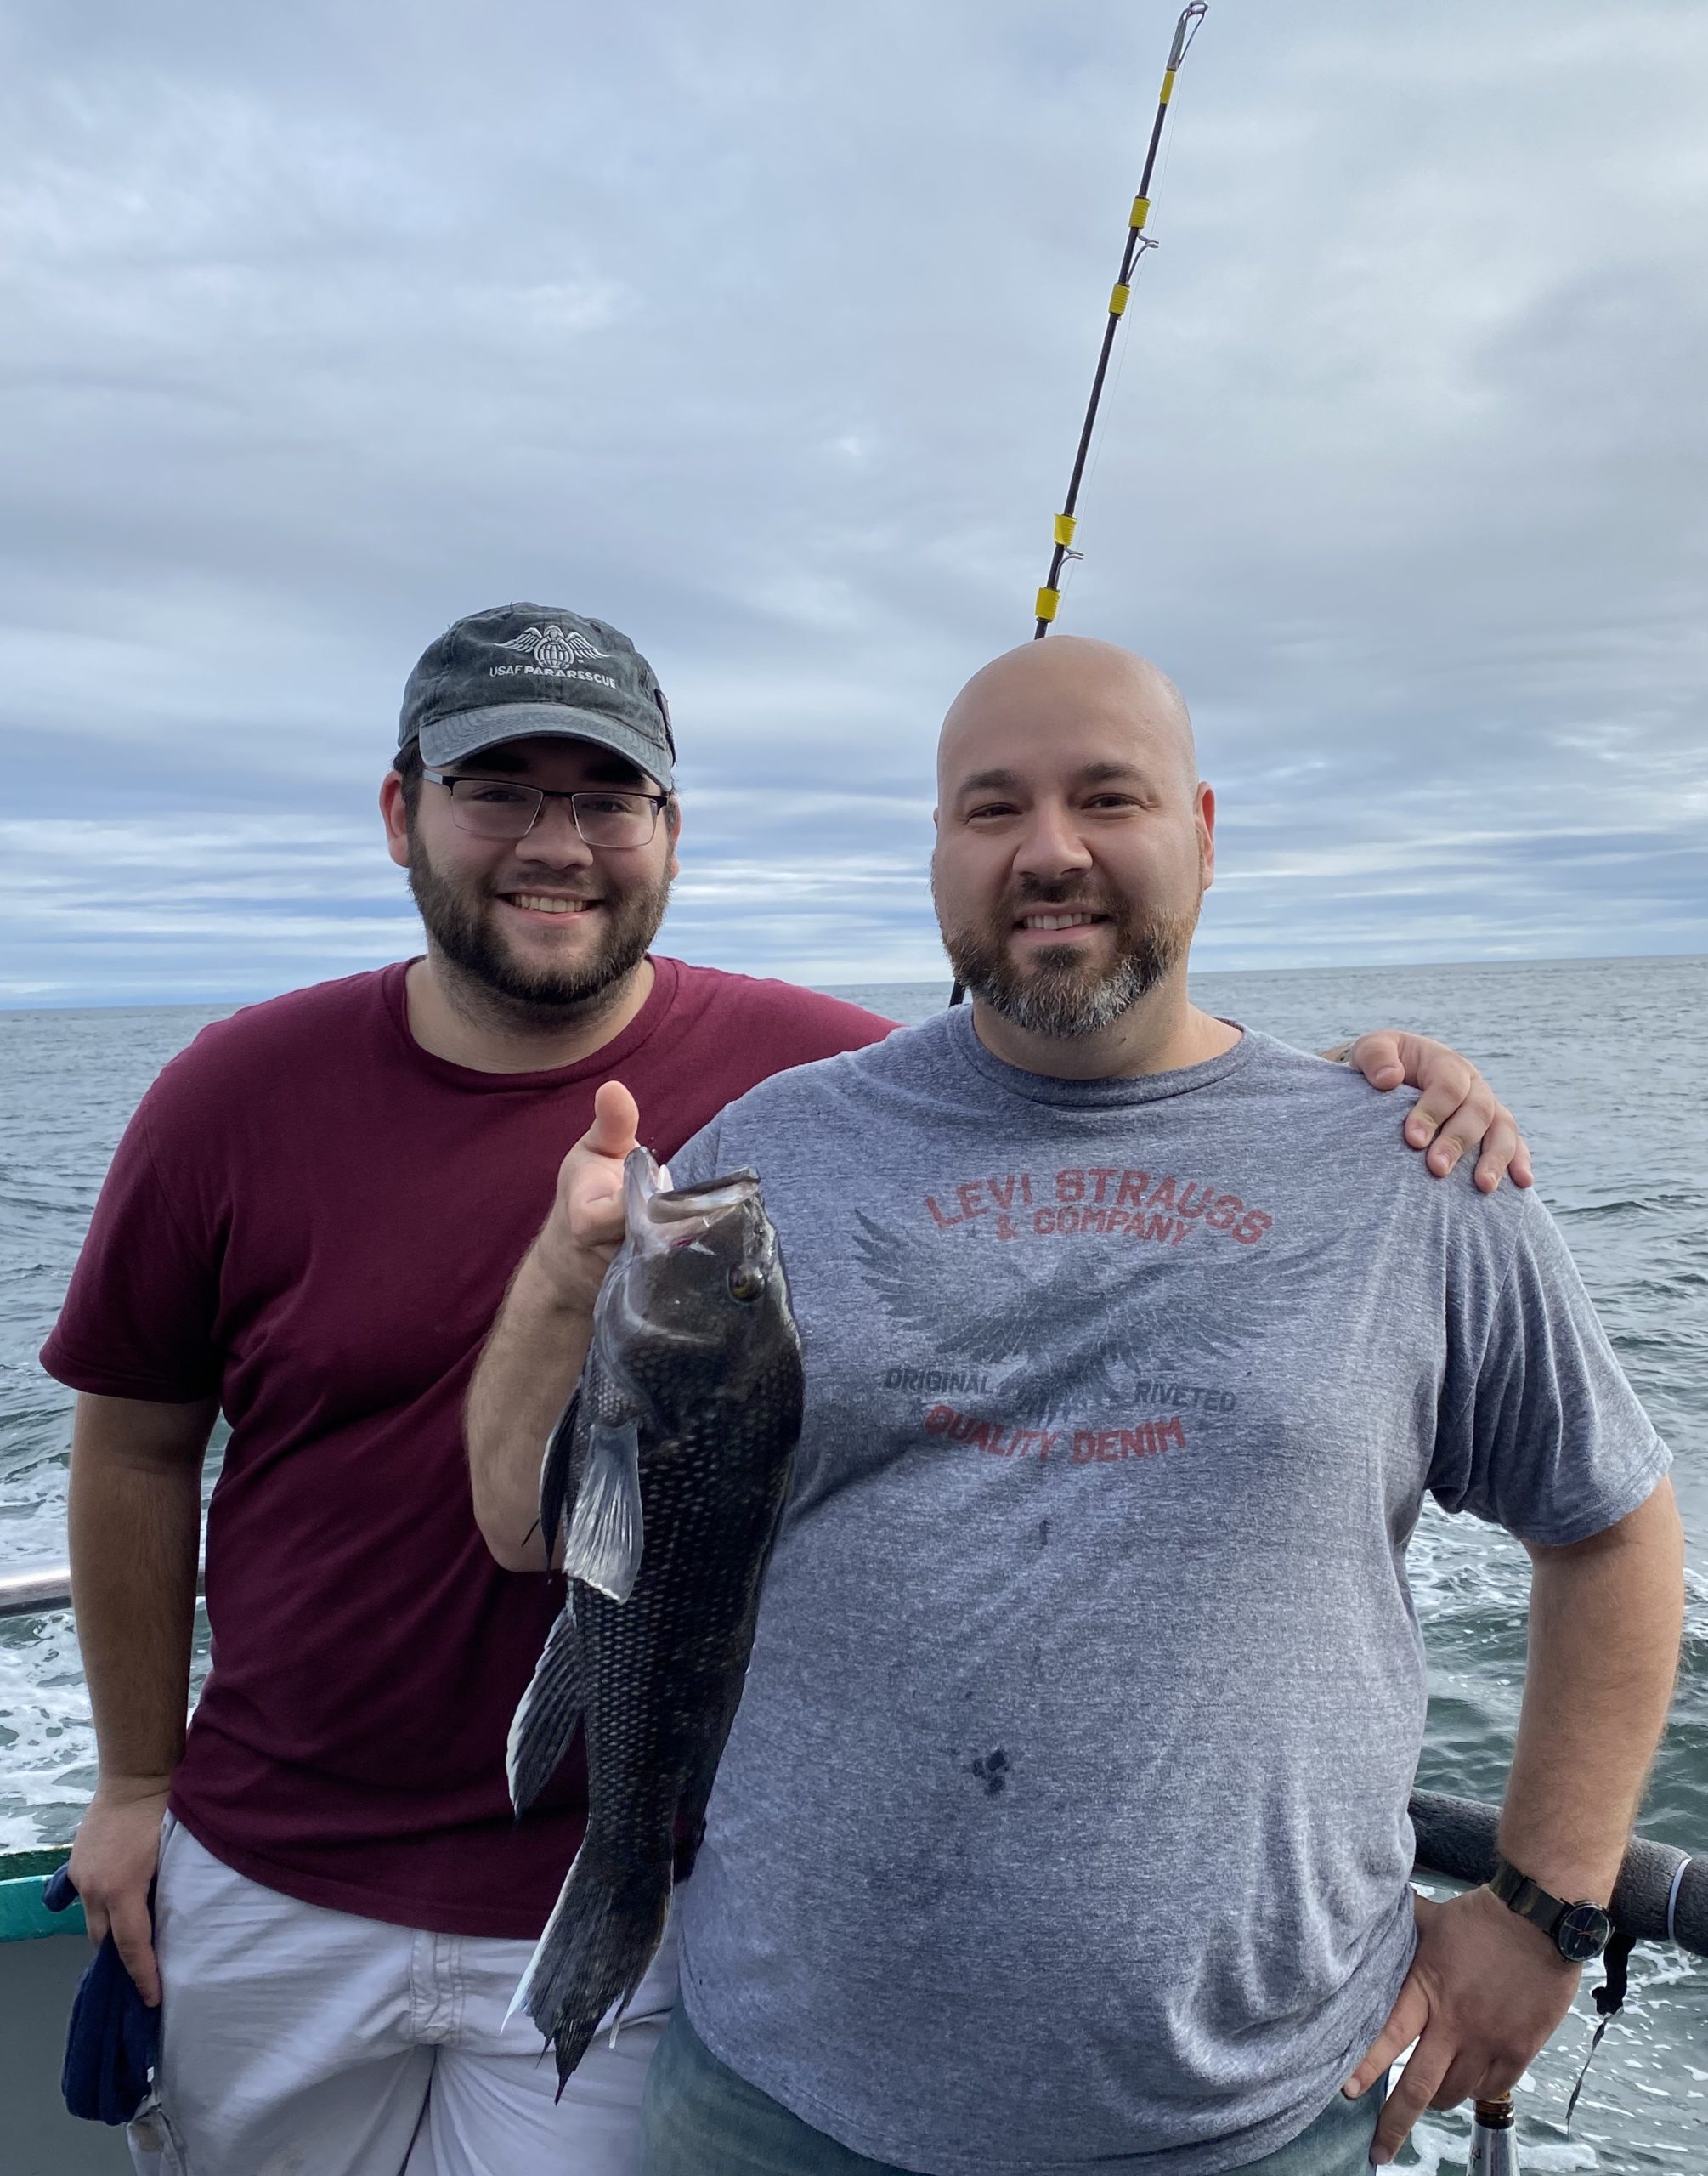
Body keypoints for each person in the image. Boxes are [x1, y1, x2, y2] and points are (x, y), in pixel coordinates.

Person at [47, 604, 1522, 2176]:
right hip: (275, 1867)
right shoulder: (229, 1091)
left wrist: (1372, 1092)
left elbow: (1064, 1091)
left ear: (668, 836)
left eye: (605, 799)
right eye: (500, 789)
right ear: (404, 809)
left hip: (660, 1895)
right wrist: (137, 1781)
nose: (557, 841)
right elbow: (136, 1451)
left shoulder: (813, 1086)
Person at [468, 635, 1685, 2176]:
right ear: (935, 852)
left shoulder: (1412, 1170)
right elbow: (543, 1514)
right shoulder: (767, 1152)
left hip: (1254, 2123)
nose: (1049, 852)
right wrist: (566, 1276)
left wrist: (1544, 1910)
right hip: (772, 2104)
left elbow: (1611, 1532)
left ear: (1204, 830)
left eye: (1107, 796)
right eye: (991, 809)